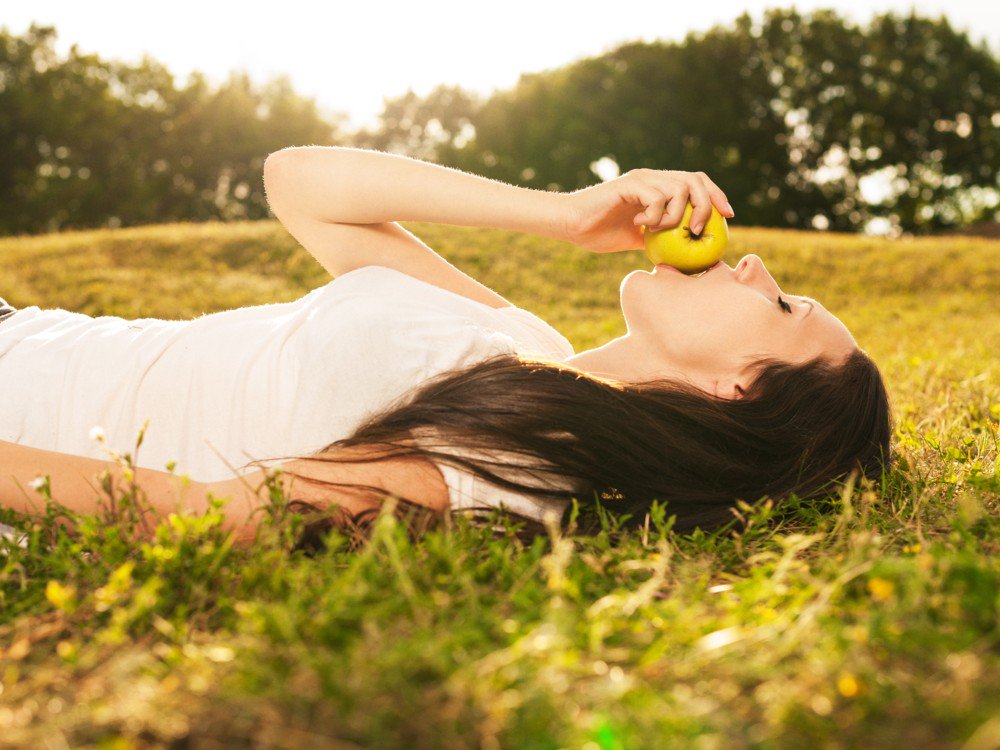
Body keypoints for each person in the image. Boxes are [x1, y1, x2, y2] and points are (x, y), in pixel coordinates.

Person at [0, 147, 893, 552]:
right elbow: (299, 184)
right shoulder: (525, 347)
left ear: (739, 389)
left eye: (781, 303)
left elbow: (223, 517)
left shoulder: (524, 464)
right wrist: (564, 214)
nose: (754, 264)